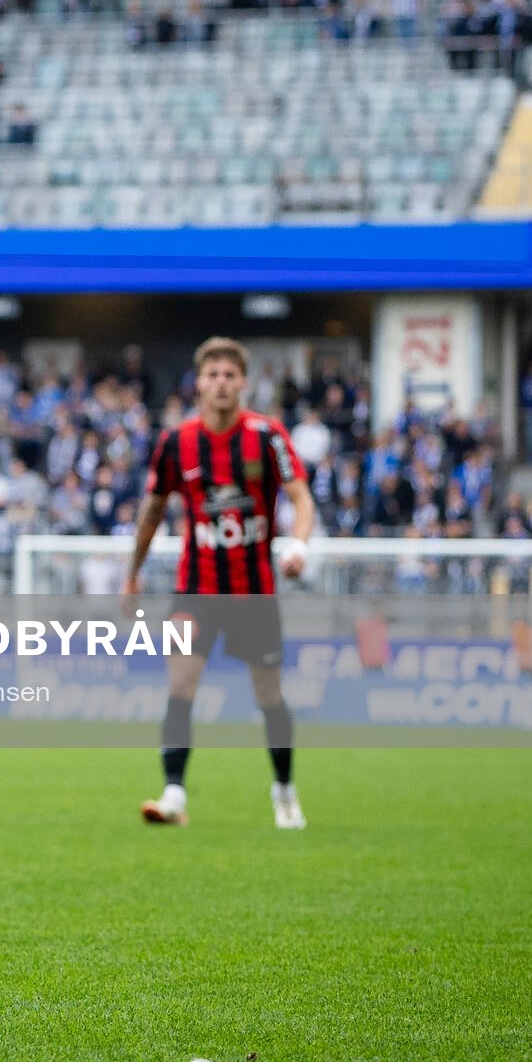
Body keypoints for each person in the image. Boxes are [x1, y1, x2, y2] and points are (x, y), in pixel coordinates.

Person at [121, 337, 317, 830]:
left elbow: (301, 496)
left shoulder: (267, 436)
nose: (222, 383)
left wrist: (299, 544)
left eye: (230, 375)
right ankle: (173, 794)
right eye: (213, 375)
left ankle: (285, 790)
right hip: (197, 590)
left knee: (268, 697)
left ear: (243, 383)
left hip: (253, 590)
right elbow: (151, 512)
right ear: (199, 383)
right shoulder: (176, 442)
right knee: (181, 683)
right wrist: (132, 572)